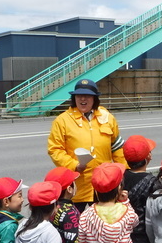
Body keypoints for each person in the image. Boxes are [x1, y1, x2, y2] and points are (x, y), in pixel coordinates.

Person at [47, 79, 126, 212]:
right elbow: (55, 150)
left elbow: (117, 148)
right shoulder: (62, 121)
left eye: (88, 96)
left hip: (104, 185)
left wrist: (123, 174)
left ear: (95, 98)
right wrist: (74, 165)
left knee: (104, 224)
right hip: (77, 187)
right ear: (74, 98)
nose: (83, 99)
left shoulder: (107, 117)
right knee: (76, 227)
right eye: (79, 96)